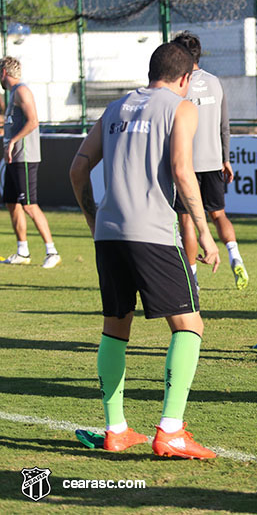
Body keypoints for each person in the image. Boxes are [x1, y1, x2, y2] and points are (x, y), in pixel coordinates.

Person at [69, 42, 221, 458]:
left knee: (115, 327)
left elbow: (78, 168)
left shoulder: (115, 107)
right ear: (186, 77)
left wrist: (94, 221)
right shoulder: (180, 107)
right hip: (152, 232)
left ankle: (115, 429)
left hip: (110, 232)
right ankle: (170, 430)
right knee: (189, 326)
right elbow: (180, 170)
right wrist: (205, 234)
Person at [171, 31, 248, 290]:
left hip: (187, 165)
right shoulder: (215, 82)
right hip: (214, 160)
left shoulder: (177, 85)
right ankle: (235, 256)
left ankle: (191, 277)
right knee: (218, 214)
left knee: (187, 219)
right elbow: (224, 125)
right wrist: (226, 158)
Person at [0, 56, 61, 268]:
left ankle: (51, 251)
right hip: (12, 159)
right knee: (11, 203)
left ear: (4, 73)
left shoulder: (22, 91)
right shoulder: (12, 95)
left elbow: (33, 121)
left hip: (24, 157)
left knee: (29, 205)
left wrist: (13, 142)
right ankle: (22, 251)